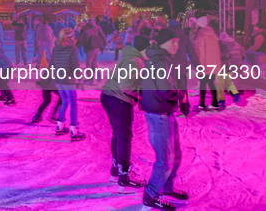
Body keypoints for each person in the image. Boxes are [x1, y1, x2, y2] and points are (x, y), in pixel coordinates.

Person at [141, 29, 190, 210]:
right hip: (159, 115)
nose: (176, 45)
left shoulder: (161, 59)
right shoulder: (161, 61)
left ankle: (166, 188)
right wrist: (182, 96)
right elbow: (166, 90)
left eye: (177, 42)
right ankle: (151, 195)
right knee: (166, 160)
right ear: (163, 44)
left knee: (175, 155)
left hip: (162, 112)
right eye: (172, 42)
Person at [101, 35, 150, 193]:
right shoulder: (135, 61)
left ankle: (116, 170)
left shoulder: (129, 56)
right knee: (125, 137)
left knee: (119, 134)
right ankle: (124, 177)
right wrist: (141, 94)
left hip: (109, 96)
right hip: (119, 100)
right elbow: (126, 86)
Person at [50, 27, 86, 142]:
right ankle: (74, 130)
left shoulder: (56, 48)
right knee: (73, 104)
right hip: (68, 79)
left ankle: (60, 126)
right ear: (72, 36)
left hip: (58, 79)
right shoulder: (72, 48)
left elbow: (52, 64)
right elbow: (75, 65)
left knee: (64, 101)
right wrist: (80, 79)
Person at [194, 16, 220, 110]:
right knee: (211, 83)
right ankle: (215, 102)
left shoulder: (201, 36)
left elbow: (201, 53)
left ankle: (202, 104)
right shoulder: (213, 35)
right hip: (213, 64)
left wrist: (200, 67)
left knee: (202, 85)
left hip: (204, 65)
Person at [168, 20, 199, 95]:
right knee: (182, 91)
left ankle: (173, 106)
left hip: (168, 68)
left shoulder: (166, 38)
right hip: (181, 69)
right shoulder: (185, 37)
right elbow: (192, 53)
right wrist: (198, 66)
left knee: (170, 91)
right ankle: (184, 105)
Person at [217, 32, 243, 106]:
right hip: (230, 65)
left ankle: (221, 100)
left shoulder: (220, 46)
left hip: (221, 67)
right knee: (229, 81)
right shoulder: (235, 43)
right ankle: (236, 93)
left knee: (219, 84)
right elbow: (242, 50)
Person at [80, 19, 106, 85]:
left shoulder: (86, 28)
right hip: (97, 46)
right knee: (94, 63)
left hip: (90, 47)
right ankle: (98, 73)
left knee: (89, 63)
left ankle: (90, 77)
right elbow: (102, 35)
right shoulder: (98, 27)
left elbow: (82, 37)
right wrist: (104, 43)